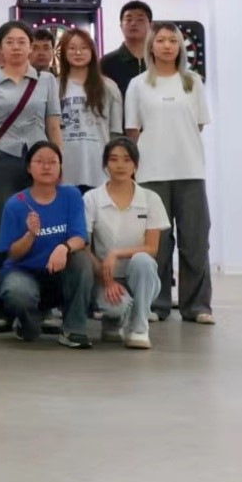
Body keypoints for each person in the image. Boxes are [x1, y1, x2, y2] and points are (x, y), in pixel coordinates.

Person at [125, 21, 213, 323]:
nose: (166, 46)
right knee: (158, 244)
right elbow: (132, 131)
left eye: (172, 41)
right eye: (160, 40)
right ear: (151, 45)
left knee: (195, 242)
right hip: (151, 174)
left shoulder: (193, 82)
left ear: (180, 47)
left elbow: (198, 124)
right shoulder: (138, 84)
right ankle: (156, 304)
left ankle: (197, 306)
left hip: (190, 170)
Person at [0, 19, 63, 291]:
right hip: (2, 160)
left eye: (22, 42)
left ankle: (44, 293)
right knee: (2, 225)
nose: (16, 47)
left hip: (41, 160)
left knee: (43, 222)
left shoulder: (46, 80)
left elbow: (53, 125)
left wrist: (60, 164)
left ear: (30, 47)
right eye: (9, 42)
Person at [0, 139, 90, 346]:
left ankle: (73, 330)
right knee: (17, 292)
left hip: (59, 272)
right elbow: (12, 254)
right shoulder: (16, 204)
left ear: (60, 167)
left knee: (82, 260)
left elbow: (80, 237)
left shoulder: (71, 195)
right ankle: (28, 324)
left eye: (52, 162)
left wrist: (63, 247)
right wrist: (30, 234)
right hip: (24, 272)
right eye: (39, 161)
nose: (46, 167)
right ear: (29, 168)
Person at [78, 137, 166, 350]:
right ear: (105, 164)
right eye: (114, 159)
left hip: (141, 277)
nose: (120, 165)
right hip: (105, 277)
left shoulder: (151, 198)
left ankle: (139, 328)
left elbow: (152, 248)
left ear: (136, 165)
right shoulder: (91, 199)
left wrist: (116, 253)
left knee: (143, 260)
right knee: (115, 308)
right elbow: (84, 246)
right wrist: (105, 278)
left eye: (127, 160)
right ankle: (114, 320)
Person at [57, 27, 123, 190]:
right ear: (63, 52)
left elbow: (115, 133)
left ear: (93, 51)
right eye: (72, 48)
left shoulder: (109, 87)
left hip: (99, 169)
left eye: (84, 48)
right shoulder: (54, 86)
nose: (78, 52)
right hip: (65, 169)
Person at [101, 0, 153, 97]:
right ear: (121, 26)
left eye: (140, 19)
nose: (133, 23)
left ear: (151, 26)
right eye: (128, 19)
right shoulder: (107, 62)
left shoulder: (158, 59)